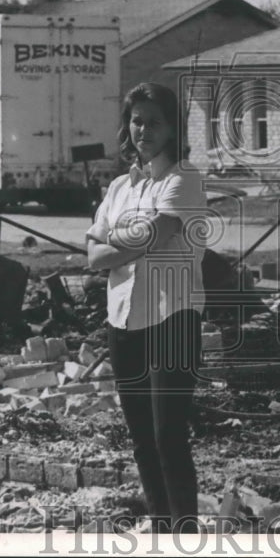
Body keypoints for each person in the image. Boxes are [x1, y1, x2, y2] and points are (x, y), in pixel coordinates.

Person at [85, 83, 206, 535]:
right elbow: (92, 257)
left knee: (168, 436)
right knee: (140, 440)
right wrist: (124, 245)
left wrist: (112, 246)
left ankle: (186, 535)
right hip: (124, 321)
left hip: (172, 319)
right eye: (137, 120)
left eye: (154, 122)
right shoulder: (119, 187)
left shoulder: (184, 179)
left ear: (172, 128)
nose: (144, 130)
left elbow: (154, 234)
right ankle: (161, 530)